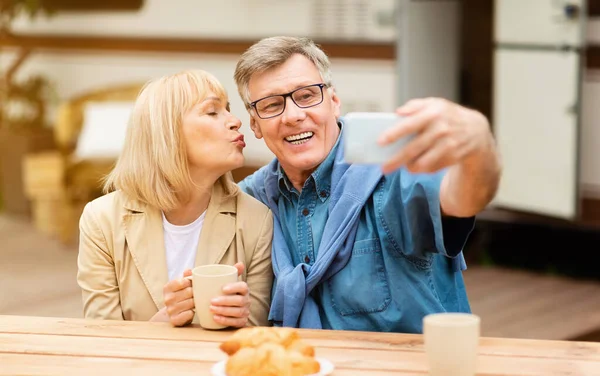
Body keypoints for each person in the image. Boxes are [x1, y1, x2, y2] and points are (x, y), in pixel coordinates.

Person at [233, 36, 502, 332]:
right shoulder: (252, 199)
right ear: (255, 124)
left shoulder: (393, 170)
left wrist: (479, 147)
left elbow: (467, 198)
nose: (294, 116)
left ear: (334, 103)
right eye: (272, 105)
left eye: (307, 96)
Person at [77, 69, 274, 328]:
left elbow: (255, 337)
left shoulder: (256, 220)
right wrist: (162, 325)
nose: (235, 121)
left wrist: (241, 323)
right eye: (213, 112)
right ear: (167, 133)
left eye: (228, 109)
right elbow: (101, 338)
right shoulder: (101, 220)